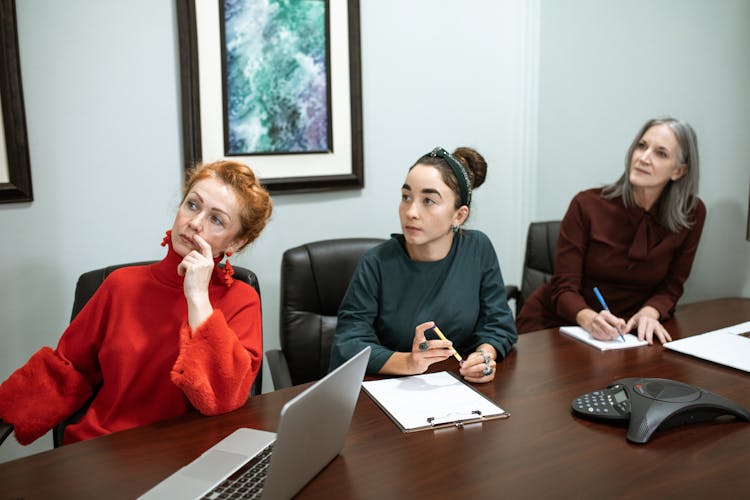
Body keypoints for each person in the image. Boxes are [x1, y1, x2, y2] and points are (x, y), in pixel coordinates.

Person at [0, 160, 273, 446]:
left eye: (216, 219)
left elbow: (221, 398)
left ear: (235, 243)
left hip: (188, 456)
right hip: (103, 448)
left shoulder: (242, 300)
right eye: (192, 205)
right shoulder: (120, 285)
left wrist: (197, 298)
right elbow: (67, 368)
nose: (194, 222)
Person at [329, 146, 517, 383]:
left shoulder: (478, 248)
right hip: (387, 391)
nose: (411, 212)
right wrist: (409, 361)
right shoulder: (376, 263)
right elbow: (350, 343)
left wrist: (483, 357)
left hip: (460, 387)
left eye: (428, 200)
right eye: (406, 197)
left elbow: (498, 323)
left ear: (459, 216)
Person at [516, 117, 705, 344]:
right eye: (642, 146)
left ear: (679, 171)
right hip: (557, 325)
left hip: (627, 335)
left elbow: (672, 285)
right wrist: (589, 319)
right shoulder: (586, 205)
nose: (643, 158)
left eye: (661, 153)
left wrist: (650, 312)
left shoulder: (692, 214)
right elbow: (563, 288)